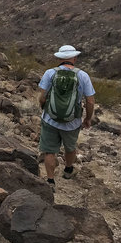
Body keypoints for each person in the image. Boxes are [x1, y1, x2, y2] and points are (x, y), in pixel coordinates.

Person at [37, 45, 95, 188]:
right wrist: (87, 118)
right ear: (74, 58)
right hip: (72, 122)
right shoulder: (82, 75)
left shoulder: (50, 73)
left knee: (49, 150)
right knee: (70, 147)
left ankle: (50, 180)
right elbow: (90, 100)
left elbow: (42, 97)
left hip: (50, 120)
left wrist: (44, 109)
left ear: (59, 58)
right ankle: (68, 169)